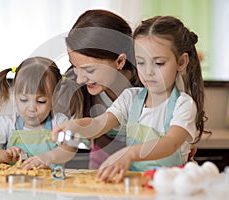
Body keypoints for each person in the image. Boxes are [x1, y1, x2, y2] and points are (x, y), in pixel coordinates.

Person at [53, 15, 210, 182]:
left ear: (181, 62)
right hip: (137, 181)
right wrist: (75, 126)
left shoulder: (183, 104)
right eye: (141, 62)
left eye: (158, 63)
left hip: (171, 183)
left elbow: (171, 143)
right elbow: (99, 123)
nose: (148, 71)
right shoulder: (130, 97)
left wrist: (130, 153)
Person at [64, 9, 142, 169]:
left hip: (144, 166)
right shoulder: (80, 89)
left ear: (120, 61)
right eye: (75, 67)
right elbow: (71, 142)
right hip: (102, 167)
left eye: (90, 70)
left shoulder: (146, 87)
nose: (80, 79)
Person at [0, 57, 82, 168]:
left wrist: (49, 157)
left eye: (41, 101)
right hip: (15, 184)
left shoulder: (59, 121)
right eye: (23, 100)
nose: (31, 108)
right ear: (15, 95)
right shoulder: (7, 123)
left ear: (54, 98)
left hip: (51, 184)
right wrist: (4, 155)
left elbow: (71, 146)